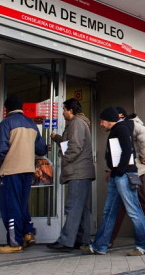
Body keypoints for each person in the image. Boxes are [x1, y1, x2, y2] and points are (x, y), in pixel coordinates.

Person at [82, 107, 145, 256]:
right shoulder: (118, 129)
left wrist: (119, 171)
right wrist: (114, 172)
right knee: (109, 211)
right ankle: (99, 246)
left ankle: (144, 246)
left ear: (109, 120)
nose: (100, 124)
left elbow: (128, 151)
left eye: (102, 121)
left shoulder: (122, 128)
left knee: (134, 210)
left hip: (124, 175)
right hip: (117, 175)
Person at [0, 95, 47, 253]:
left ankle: (14, 243)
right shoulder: (31, 124)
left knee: (10, 206)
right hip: (28, 170)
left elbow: (0, 149)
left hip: (11, 170)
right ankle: (28, 232)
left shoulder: (6, 124)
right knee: (22, 204)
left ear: (6, 109)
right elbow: (41, 149)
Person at [109, 107, 145, 248]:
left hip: (135, 172)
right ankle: (107, 238)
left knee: (138, 204)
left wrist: (142, 156)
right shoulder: (122, 126)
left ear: (120, 115)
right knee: (120, 205)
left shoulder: (132, 124)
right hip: (127, 171)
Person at [47, 98, 95, 252]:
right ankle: (82, 240)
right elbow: (70, 143)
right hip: (82, 171)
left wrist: (65, 160)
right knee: (82, 208)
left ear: (70, 110)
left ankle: (66, 241)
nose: (62, 112)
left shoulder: (76, 123)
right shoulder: (79, 123)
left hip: (78, 171)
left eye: (64, 109)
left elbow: (75, 147)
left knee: (73, 206)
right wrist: (56, 138)